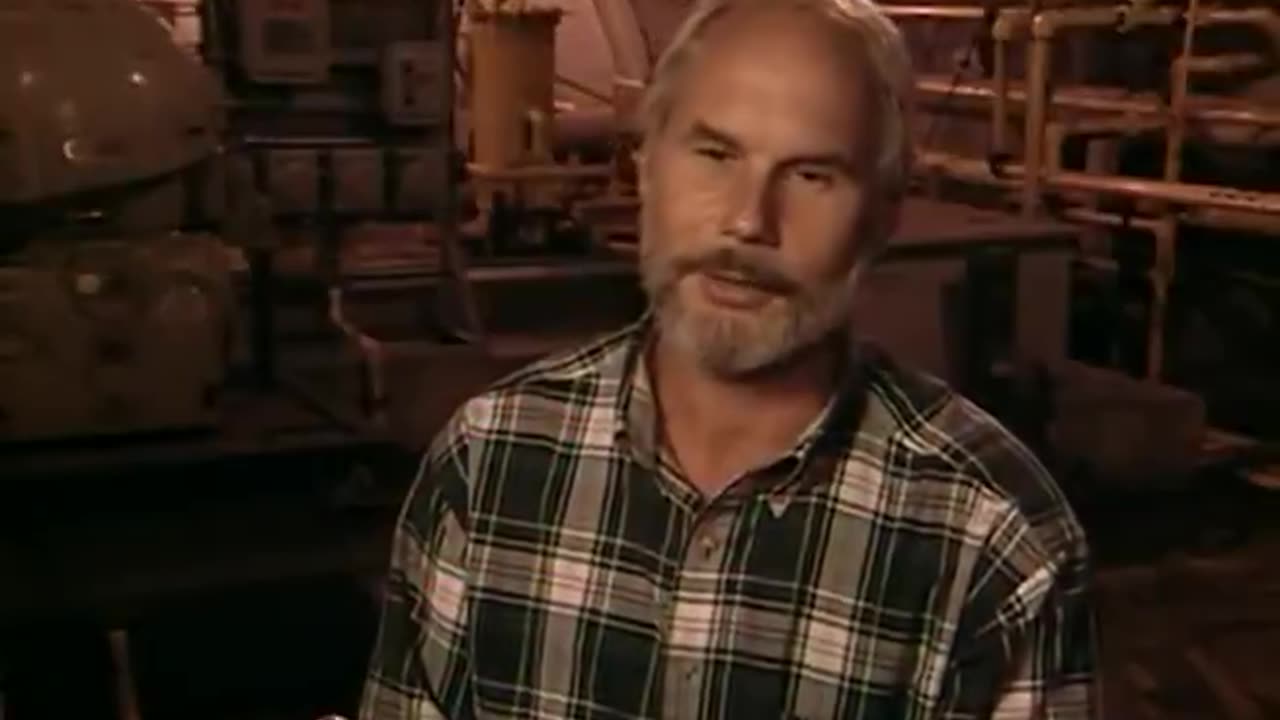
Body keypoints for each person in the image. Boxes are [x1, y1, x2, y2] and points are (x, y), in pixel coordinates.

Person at [359, 0, 1099, 717]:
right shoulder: (487, 464)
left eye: (812, 175)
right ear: (644, 168)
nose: (749, 220)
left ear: (881, 216)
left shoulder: (994, 538)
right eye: (715, 154)